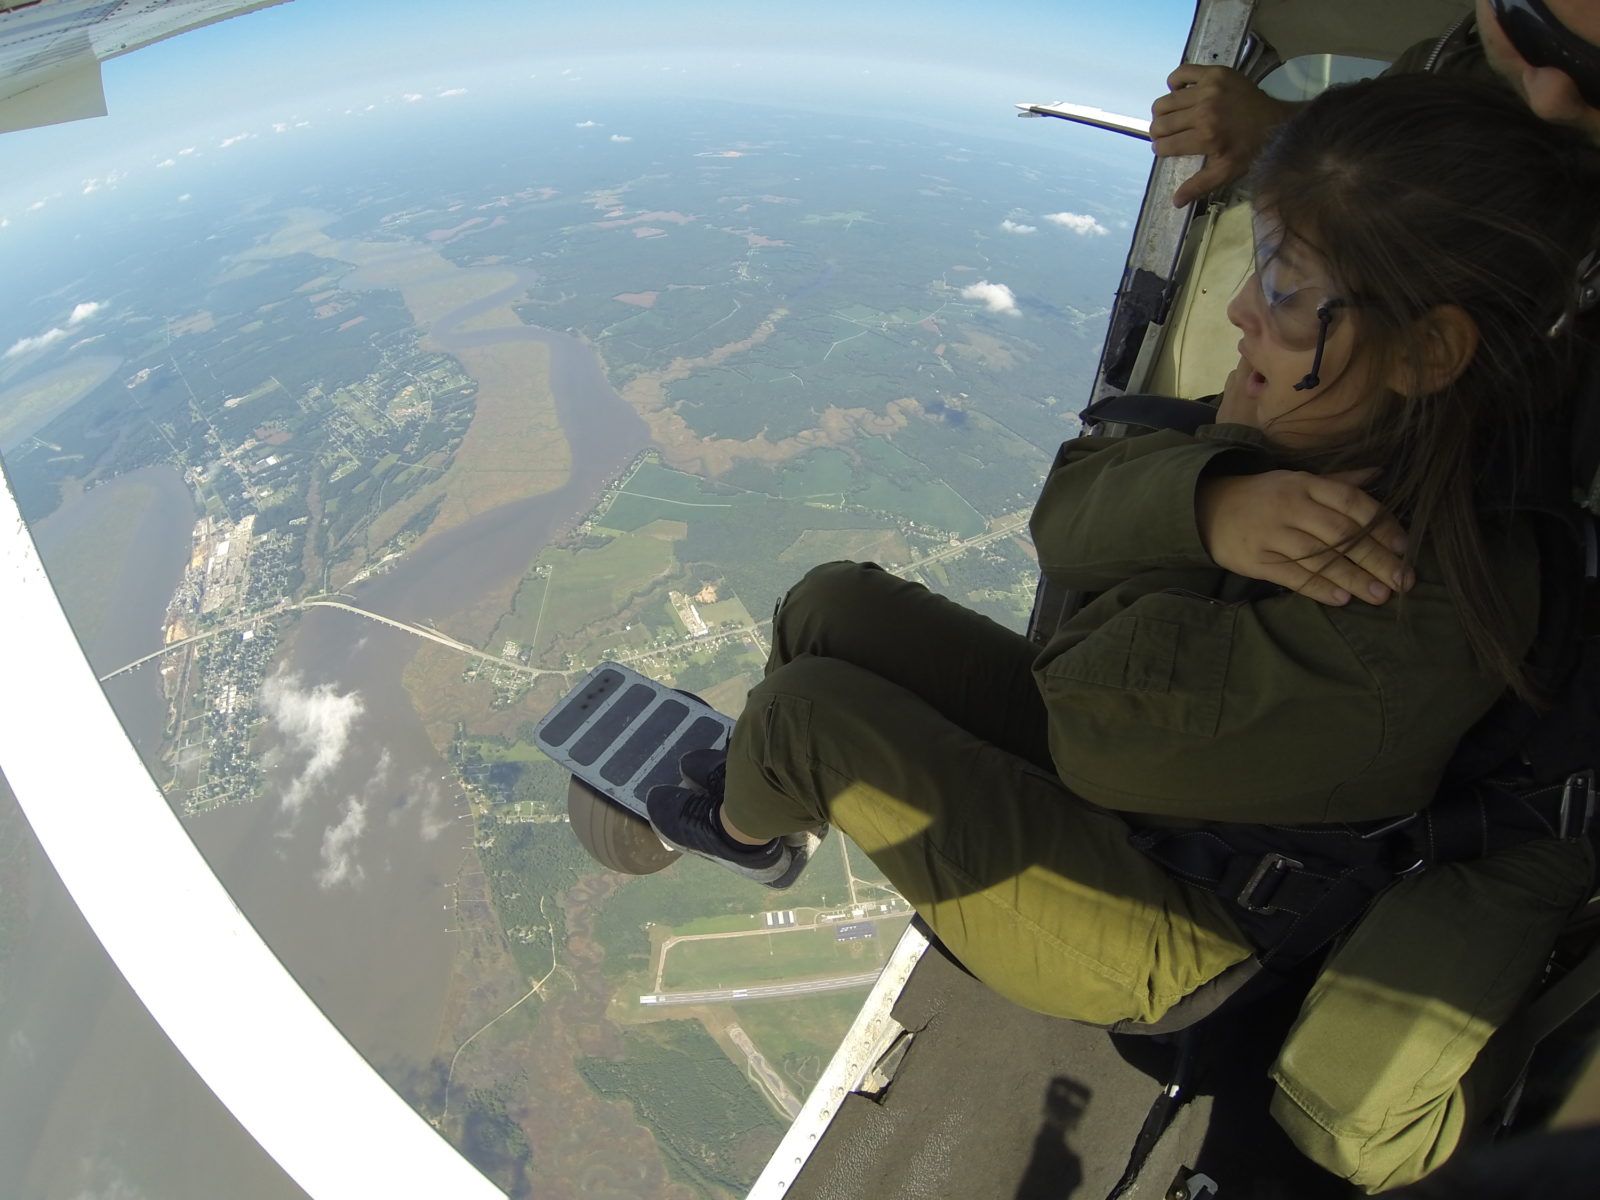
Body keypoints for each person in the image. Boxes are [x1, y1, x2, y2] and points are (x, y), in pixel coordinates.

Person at [645, 74, 1600, 1187]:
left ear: (1430, 350)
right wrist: (1210, 503)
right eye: (1256, 257)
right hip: (1144, 787)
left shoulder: (1398, 614)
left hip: (1185, 923)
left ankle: (745, 828)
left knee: (805, 722)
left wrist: (1186, 516)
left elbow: (1091, 716)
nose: (1244, 309)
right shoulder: (1357, 429)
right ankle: (774, 791)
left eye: (1288, 288)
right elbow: (1068, 513)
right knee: (829, 604)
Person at [1150, 1, 1600, 210]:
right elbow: (1397, 140)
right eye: (1525, 21)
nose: (1551, 100)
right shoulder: (1444, 67)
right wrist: (1272, 124)